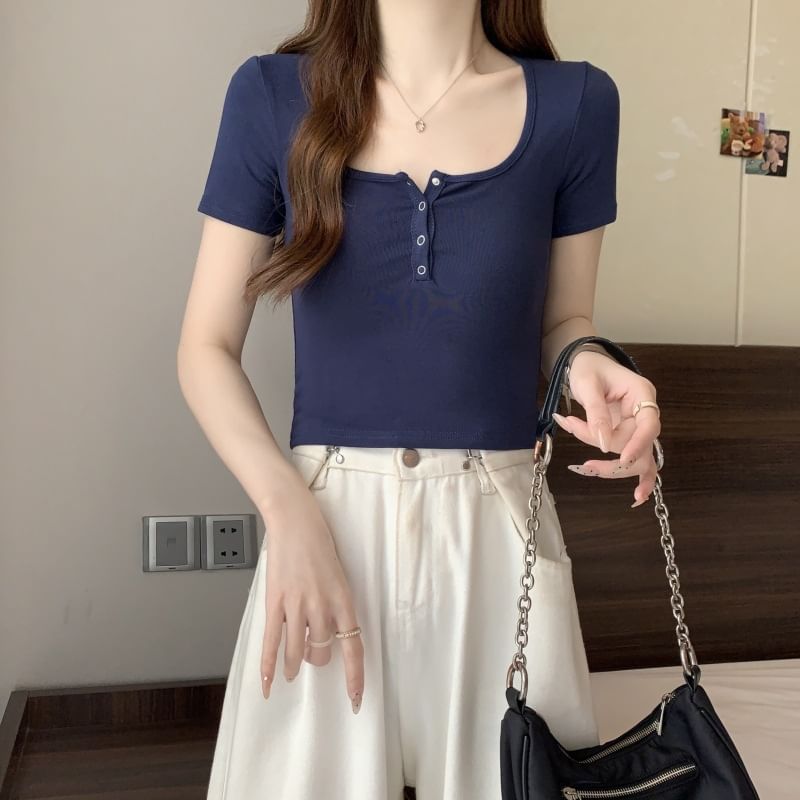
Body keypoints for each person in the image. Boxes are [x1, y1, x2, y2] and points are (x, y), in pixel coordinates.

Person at [178, 2, 662, 798]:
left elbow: (565, 321)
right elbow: (205, 348)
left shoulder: (577, 105)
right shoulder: (270, 95)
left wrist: (592, 366)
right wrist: (287, 510)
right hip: (323, 531)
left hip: (497, 532)